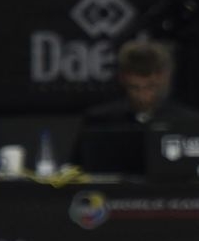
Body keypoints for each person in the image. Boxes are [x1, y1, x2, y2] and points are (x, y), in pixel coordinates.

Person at [71, 39, 184, 174]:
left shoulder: (187, 123)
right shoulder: (98, 122)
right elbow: (75, 173)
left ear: (165, 78)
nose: (143, 96)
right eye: (135, 87)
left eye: (151, 87)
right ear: (123, 78)